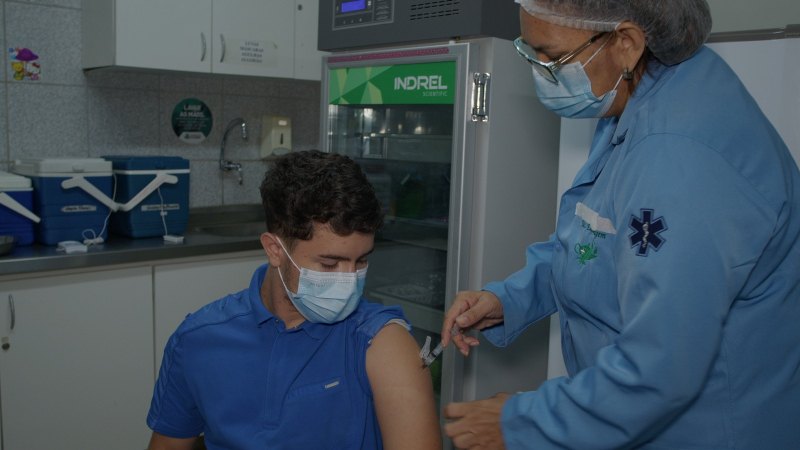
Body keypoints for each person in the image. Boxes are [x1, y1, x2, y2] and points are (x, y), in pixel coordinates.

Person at [440, 1, 800, 448]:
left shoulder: (679, 155)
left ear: (627, 43)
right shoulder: (639, 91)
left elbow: (662, 364)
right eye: (530, 54)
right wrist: (510, 299)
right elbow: (594, 238)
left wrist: (522, 422)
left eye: (554, 57)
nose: (541, 72)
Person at [146, 150, 442, 449]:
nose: (349, 280)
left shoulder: (382, 343)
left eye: (361, 260)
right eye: (329, 264)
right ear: (275, 250)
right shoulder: (197, 340)